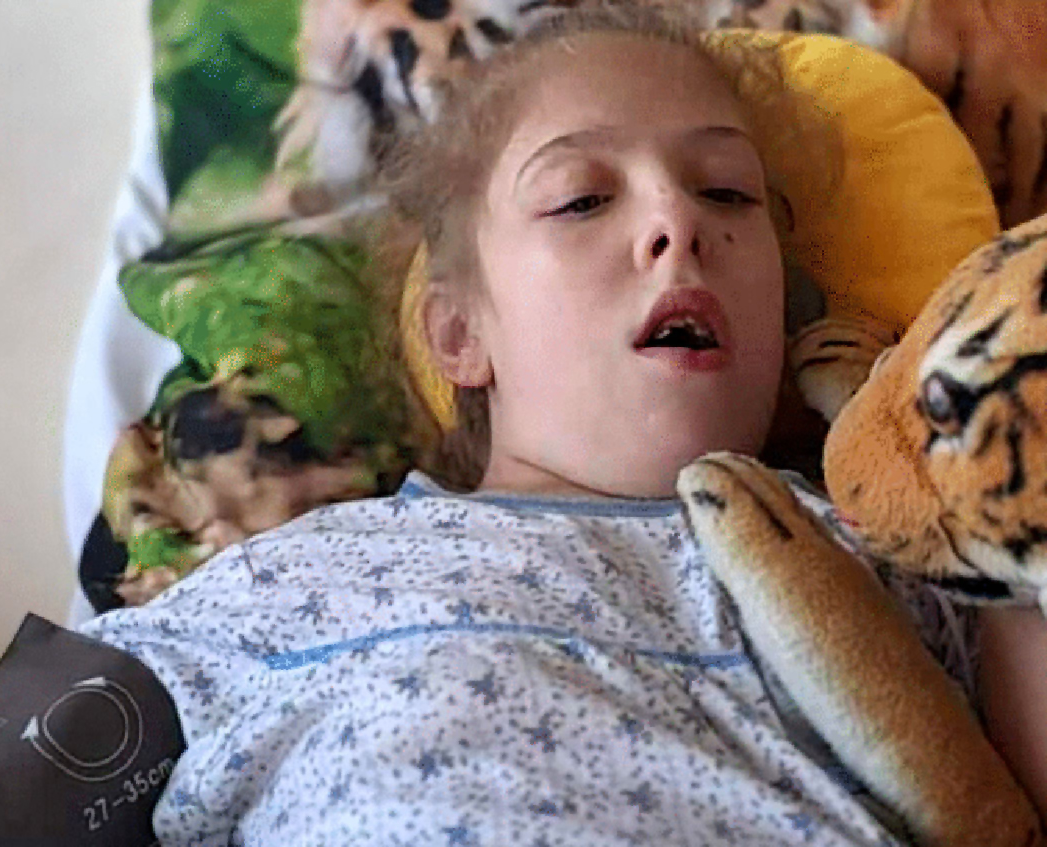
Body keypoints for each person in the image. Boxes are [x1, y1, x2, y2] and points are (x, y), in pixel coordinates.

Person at [81, 3, 1039, 843]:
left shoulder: (890, 545)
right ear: (459, 333)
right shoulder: (303, 577)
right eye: (582, 198)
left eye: (727, 192)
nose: (675, 220)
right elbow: (28, 769)